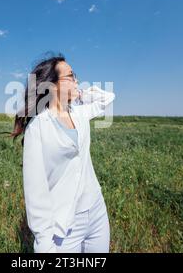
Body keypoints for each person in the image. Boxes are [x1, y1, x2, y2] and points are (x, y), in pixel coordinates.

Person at [10, 53, 115, 253]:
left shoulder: (79, 112)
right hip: (65, 224)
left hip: (96, 212)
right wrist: (44, 242)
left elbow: (107, 98)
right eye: (71, 75)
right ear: (53, 85)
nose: (76, 79)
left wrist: (81, 93)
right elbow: (36, 192)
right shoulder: (38, 127)